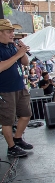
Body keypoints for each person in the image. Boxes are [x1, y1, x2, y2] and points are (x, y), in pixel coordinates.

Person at [0, 19, 33, 157]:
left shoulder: (12, 46)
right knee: (8, 120)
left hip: (20, 86)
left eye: (13, 31)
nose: (12, 34)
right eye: (9, 31)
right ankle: (11, 147)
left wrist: (22, 51)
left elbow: (25, 62)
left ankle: (18, 138)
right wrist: (17, 55)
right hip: (5, 89)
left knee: (26, 114)